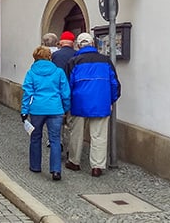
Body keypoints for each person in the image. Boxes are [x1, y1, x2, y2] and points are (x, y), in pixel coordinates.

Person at [65, 32, 121, 178]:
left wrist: (67, 103)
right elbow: (114, 83)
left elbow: (68, 85)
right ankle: (97, 166)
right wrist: (111, 100)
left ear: (78, 45)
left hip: (79, 102)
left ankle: (74, 161)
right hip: (101, 102)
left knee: (76, 133)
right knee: (99, 135)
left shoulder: (74, 61)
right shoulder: (106, 61)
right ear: (93, 44)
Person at [21, 46, 71, 181]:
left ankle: (35, 166)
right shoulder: (59, 72)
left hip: (37, 109)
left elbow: (27, 93)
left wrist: (24, 111)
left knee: (35, 137)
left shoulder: (31, 72)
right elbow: (65, 93)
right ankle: (56, 170)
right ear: (49, 57)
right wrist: (65, 108)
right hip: (55, 109)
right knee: (55, 139)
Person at [51, 31, 77, 156]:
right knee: (71, 122)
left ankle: (59, 142)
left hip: (58, 90)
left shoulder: (56, 55)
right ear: (73, 42)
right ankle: (69, 147)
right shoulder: (77, 54)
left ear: (61, 41)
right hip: (73, 91)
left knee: (58, 119)